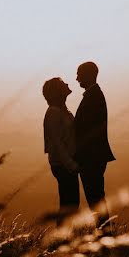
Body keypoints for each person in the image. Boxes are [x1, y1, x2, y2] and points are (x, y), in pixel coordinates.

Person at [74, 61, 115, 229]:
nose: (76, 78)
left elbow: (86, 130)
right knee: (96, 197)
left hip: (91, 158)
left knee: (95, 198)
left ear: (88, 75)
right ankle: (104, 233)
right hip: (94, 156)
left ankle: (104, 233)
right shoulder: (94, 95)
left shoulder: (93, 97)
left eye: (79, 74)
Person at [42, 77, 79, 217]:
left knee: (71, 205)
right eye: (63, 83)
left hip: (65, 164)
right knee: (69, 206)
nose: (67, 84)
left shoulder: (61, 110)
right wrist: (71, 165)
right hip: (63, 165)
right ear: (57, 91)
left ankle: (64, 236)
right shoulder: (54, 112)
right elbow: (57, 143)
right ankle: (63, 236)